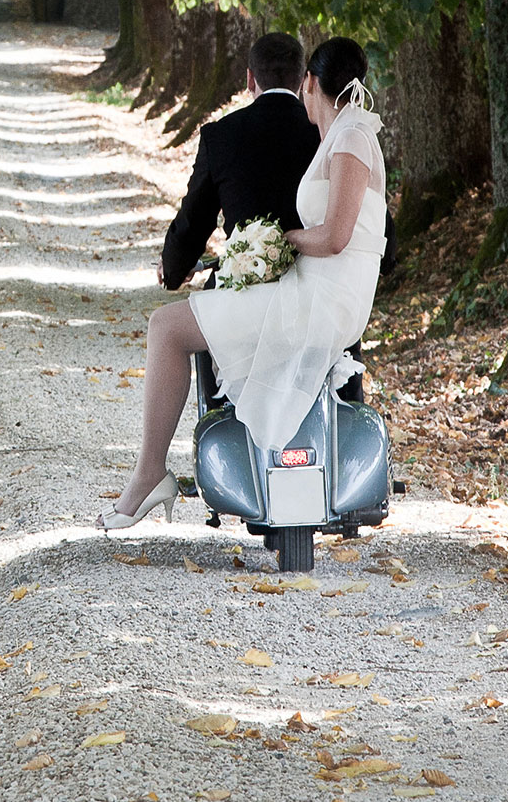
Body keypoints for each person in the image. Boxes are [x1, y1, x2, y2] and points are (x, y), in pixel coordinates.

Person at [100, 37, 386, 530]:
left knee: (166, 328)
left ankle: (150, 472)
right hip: (329, 295)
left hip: (311, 296)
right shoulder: (328, 135)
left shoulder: (316, 137)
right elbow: (378, 231)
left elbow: (195, 223)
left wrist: (257, 247)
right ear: (298, 78)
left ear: (307, 84)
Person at [157, 32, 321, 291]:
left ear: (249, 79)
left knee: (165, 326)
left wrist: (173, 267)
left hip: (242, 286)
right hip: (313, 285)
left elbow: (196, 216)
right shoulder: (324, 133)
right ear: (304, 80)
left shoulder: (221, 135)